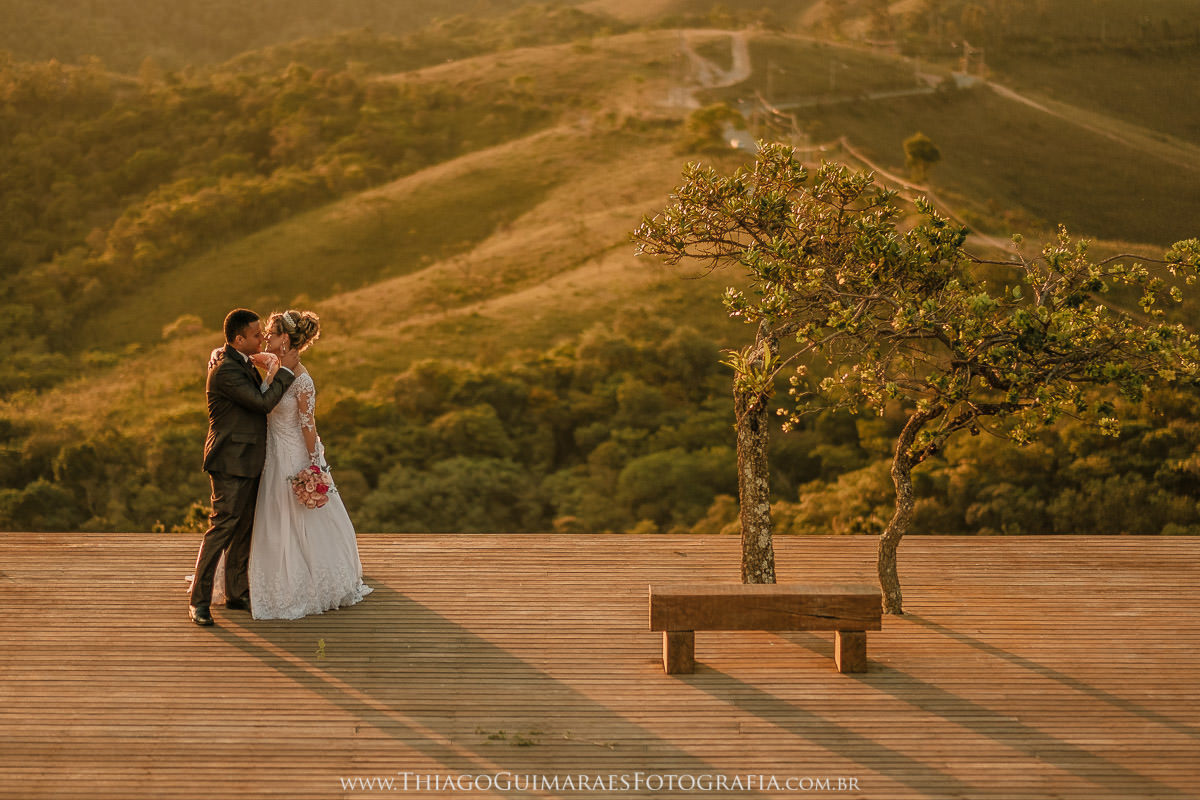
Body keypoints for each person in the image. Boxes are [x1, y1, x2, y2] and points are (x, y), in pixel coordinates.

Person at [245, 309, 372, 620]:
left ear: (284, 340)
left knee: (296, 518)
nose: (265, 338)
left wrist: (316, 468)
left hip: (293, 457)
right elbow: (247, 357)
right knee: (272, 517)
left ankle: (310, 582)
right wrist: (217, 353)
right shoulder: (273, 363)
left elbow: (308, 426)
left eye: (271, 335)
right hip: (271, 454)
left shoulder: (303, 381)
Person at [189, 309, 299, 626]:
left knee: (244, 530)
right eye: (255, 334)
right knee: (222, 529)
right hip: (230, 461)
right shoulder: (225, 370)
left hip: (250, 459)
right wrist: (286, 373)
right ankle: (199, 601)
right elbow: (262, 404)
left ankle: (237, 593)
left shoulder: (240, 359)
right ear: (239, 339)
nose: (262, 337)